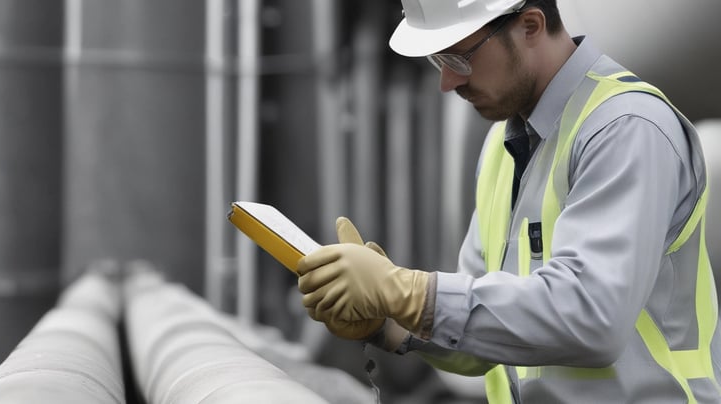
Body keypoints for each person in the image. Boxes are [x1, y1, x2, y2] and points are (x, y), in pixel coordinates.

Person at [296, 0, 721, 402]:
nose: (449, 82)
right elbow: (483, 343)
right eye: (438, 61)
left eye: (459, 58)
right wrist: (390, 323)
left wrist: (407, 292)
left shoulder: (626, 129)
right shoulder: (503, 145)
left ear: (531, 25)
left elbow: (592, 319)